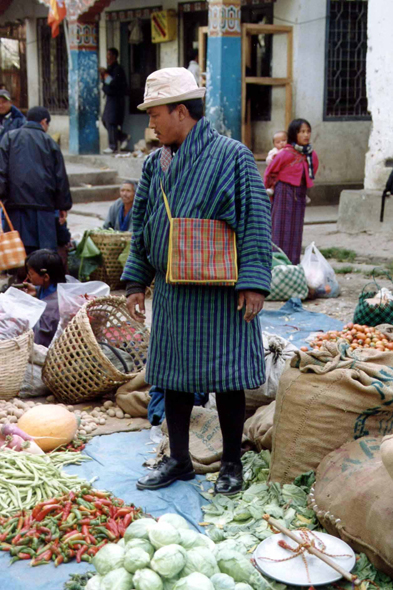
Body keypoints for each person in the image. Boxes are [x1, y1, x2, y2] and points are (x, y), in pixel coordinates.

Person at [122, 67, 272, 496]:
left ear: (182, 112)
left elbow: (255, 220)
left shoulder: (233, 156)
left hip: (221, 288)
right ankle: (179, 459)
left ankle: (230, 462)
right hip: (172, 287)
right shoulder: (155, 164)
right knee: (173, 376)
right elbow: (142, 225)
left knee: (226, 376)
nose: (150, 122)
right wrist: (136, 280)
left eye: (155, 113)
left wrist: (255, 281)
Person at [0, 106, 72, 256]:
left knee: (18, 250)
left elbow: (1, 170)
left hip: (15, 205)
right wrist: (63, 206)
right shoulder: (50, 142)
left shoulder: (9, 138)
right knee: (43, 252)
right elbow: (60, 176)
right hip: (43, 206)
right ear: (44, 122)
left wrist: (2, 195)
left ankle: (18, 276)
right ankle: (41, 277)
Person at [264, 118, 319, 265]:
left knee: (296, 229)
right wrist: (269, 192)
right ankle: (276, 264)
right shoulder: (285, 154)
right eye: (302, 132)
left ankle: (293, 264)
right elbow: (270, 172)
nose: (306, 135)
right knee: (280, 227)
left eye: (308, 131)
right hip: (283, 193)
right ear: (294, 134)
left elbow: (313, 168)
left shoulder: (310, 154)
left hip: (299, 194)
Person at [21, 249, 66, 347]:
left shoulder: (51, 310)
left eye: (31, 274)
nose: (28, 277)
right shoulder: (59, 283)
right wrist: (37, 291)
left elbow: (40, 339)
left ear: (46, 277)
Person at [100, 48, 129, 154]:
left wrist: (106, 77)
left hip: (116, 99)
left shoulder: (118, 69)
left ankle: (112, 146)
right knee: (105, 120)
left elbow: (113, 84)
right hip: (110, 98)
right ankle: (122, 137)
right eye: (107, 55)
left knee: (111, 121)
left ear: (114, 56)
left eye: (109, 55)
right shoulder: (110, 69)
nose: (107, 57)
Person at [265, 130, 288, 199]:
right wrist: (272, 158)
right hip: (277, 170)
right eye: (278, 142)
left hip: (287, 170)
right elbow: (268, 161)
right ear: (274, 144)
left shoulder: (288, 150)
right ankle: (272, 188)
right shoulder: (273, 151)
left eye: (284, 140)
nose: (281, 143)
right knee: (274, 179)